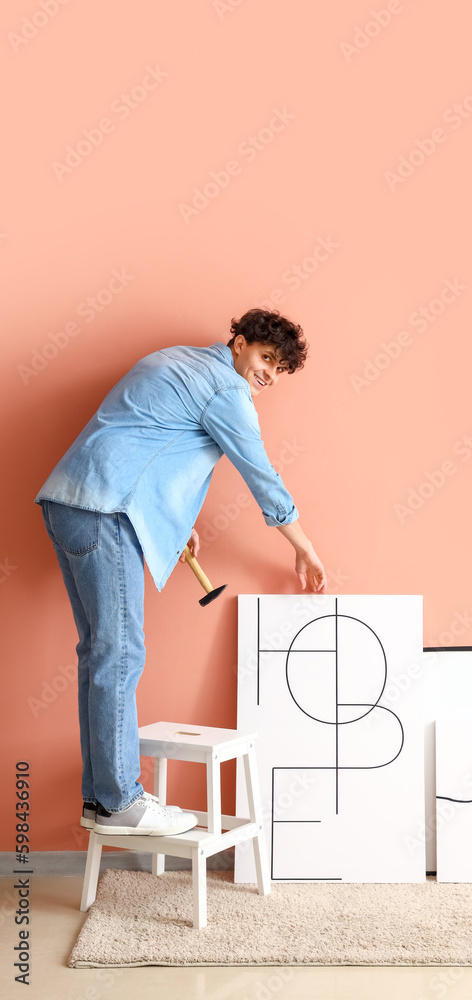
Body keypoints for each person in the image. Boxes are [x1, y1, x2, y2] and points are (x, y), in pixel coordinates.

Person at [35, 308, 326, 836]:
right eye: (266, 358)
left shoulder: (172, 359)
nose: (269, 375)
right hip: (106, 510)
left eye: (280, 369)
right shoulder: (227, 389)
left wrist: (168, 520)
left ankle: (100, 800)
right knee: (121, 653)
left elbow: (144, 437)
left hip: (68, 503)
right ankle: (121, 800)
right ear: (239, 343)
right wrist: (304, 547)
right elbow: (259, 471)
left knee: (100, 653)